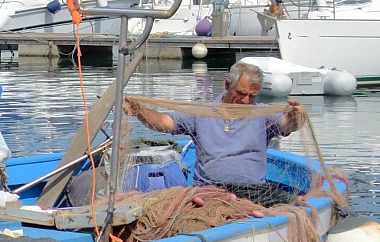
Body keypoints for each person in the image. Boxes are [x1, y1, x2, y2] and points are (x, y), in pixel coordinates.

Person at [122, 64, 302, 206]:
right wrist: (139, 111)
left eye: (252, 96)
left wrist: (296, 115)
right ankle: (220, 202)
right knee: (202, 200)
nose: (246, 101)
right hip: (209, 188)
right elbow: (163, 122)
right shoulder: (201, 113)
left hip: (254, 190)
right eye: (241, 93)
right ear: (227, 85)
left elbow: (289, 125)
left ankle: (235, 204)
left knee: (297, 204)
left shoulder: (263, 114)